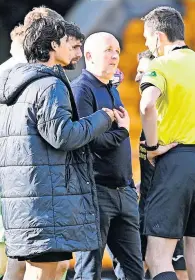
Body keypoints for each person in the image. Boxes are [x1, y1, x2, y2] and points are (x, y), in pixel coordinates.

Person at [0, 18, 117, 280]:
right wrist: (101, 118)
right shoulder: (50, 85)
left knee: (31, 268)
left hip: (23, 196)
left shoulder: (13, 85)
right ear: (53, 45)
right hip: (46, 198)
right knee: (42, 272)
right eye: (68, 42)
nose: (74, 49)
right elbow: (63, 136)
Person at [0, 7, 75, 280]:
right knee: (39, 267)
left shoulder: (9, 77)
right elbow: (61, 135)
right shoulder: (43, 81)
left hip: (18, 188)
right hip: (40, 191)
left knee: (23, 265)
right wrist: (98, 122)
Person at [72, 32, 144, 280]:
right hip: (96, 192)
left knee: (134, 271)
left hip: (124, 192)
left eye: (117, 50)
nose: (115, 55)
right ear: (88, 56)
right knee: (89, 271)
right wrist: (123, 132)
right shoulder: (81, 90)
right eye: (108, 50)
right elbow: (87, 141)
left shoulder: (112, 89)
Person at [140, 6, 195, 280]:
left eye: (146, 39)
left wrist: (152, 147)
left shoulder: (160, 64)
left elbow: (147, 105)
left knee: (158, 257)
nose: (146, 45)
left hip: (176, 160)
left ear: (158, 38)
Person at [136, 50, 188, 280]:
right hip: (148, 206)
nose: (138, 78)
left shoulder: (169, 124)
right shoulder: (152, 122)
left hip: (169, 208)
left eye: (143, 72)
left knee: (174, 266)